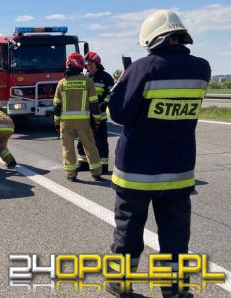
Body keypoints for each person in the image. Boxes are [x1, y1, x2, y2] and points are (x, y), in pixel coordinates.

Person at [107, 10, 211, 298]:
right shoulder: (201, 68)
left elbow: (119, 114)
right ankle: (176, 290)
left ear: (152, 38)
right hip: (178, 170)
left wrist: (125, 80)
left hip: (136, 171)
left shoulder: (142, 68)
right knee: (176, 237)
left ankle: (121, 283)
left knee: (128, 232)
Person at [53, 52, 102, 181]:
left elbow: (56, 107)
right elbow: (94, 104)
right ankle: (96, 172)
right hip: (84, 122)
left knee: (67, 148)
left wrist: (56, 122)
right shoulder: (88, 81)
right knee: (89, 145)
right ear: (80, 65)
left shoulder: (61, 83)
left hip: (65, 123)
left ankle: (71, 174)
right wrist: (97, 120)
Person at [76, 51, 114, 173]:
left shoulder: (106, 77)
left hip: (100, 117)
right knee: (82, 140)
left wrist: (104, 103)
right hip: (86, 116)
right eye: (87, 64)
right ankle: (83, 162)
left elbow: (111, 93)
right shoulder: (86, 77)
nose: (88, 66)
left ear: (97, 63)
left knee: (100, 142)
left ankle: (103, 165)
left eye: (91, 63)